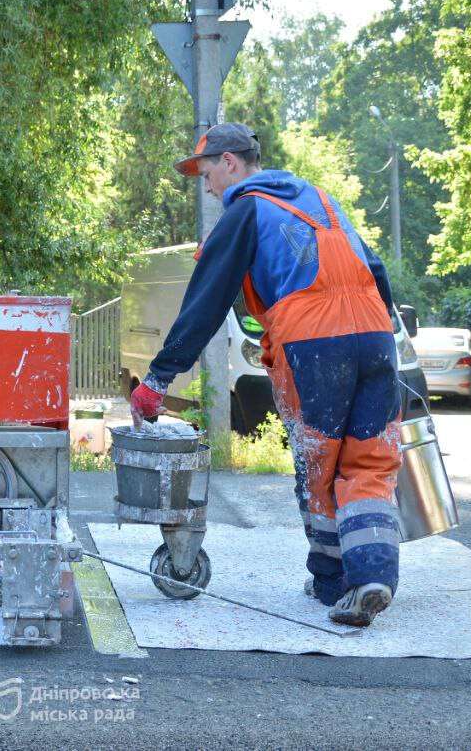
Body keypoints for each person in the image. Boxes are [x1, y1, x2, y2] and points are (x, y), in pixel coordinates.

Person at [129, 123, 403, 627]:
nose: (206, 185)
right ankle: (374, 576)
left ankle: (333, 582)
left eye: (206, 172)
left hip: (314, 344)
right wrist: (383, 343)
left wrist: (159, 378)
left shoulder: (246, 209)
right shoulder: (323, 199)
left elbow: (208, 298)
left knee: (319, 464)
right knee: (369, 464)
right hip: (376, 334)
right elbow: (376, 270)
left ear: (230, 163)